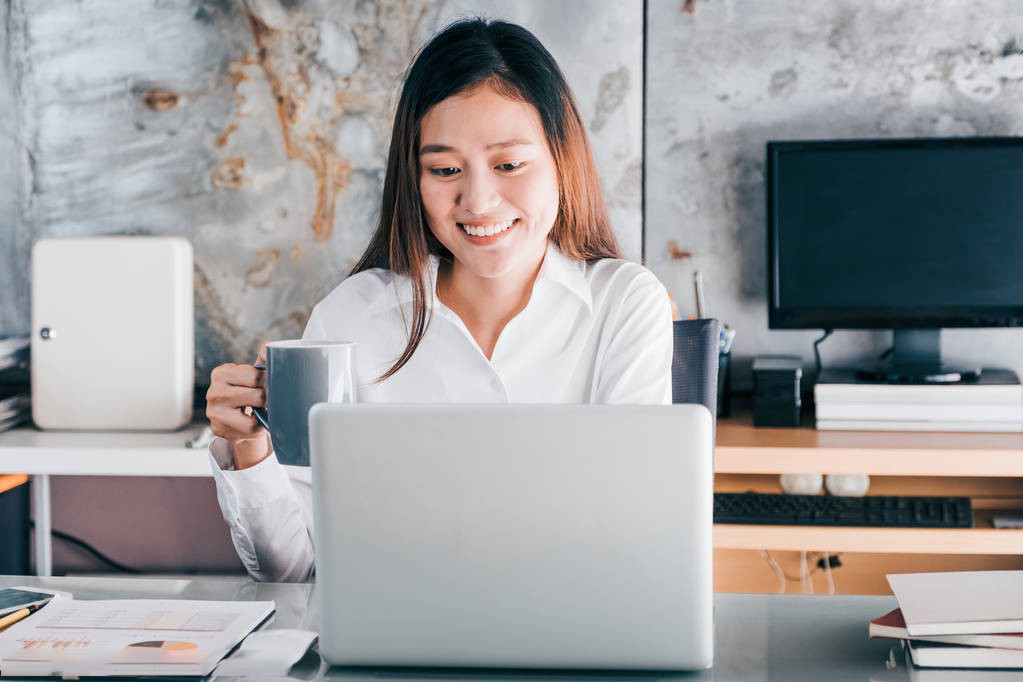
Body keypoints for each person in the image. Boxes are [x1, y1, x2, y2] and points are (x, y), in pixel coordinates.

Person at [205, 18, 673, 582]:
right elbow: (292, 567)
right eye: (445, 169)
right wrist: (250, 448)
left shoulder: (624, 303)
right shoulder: (351, 317)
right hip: (396, 649)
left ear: (561, 163)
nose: (477, 199)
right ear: (415, 177)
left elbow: (636, 533)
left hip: (568, 636)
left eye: (508, 165)